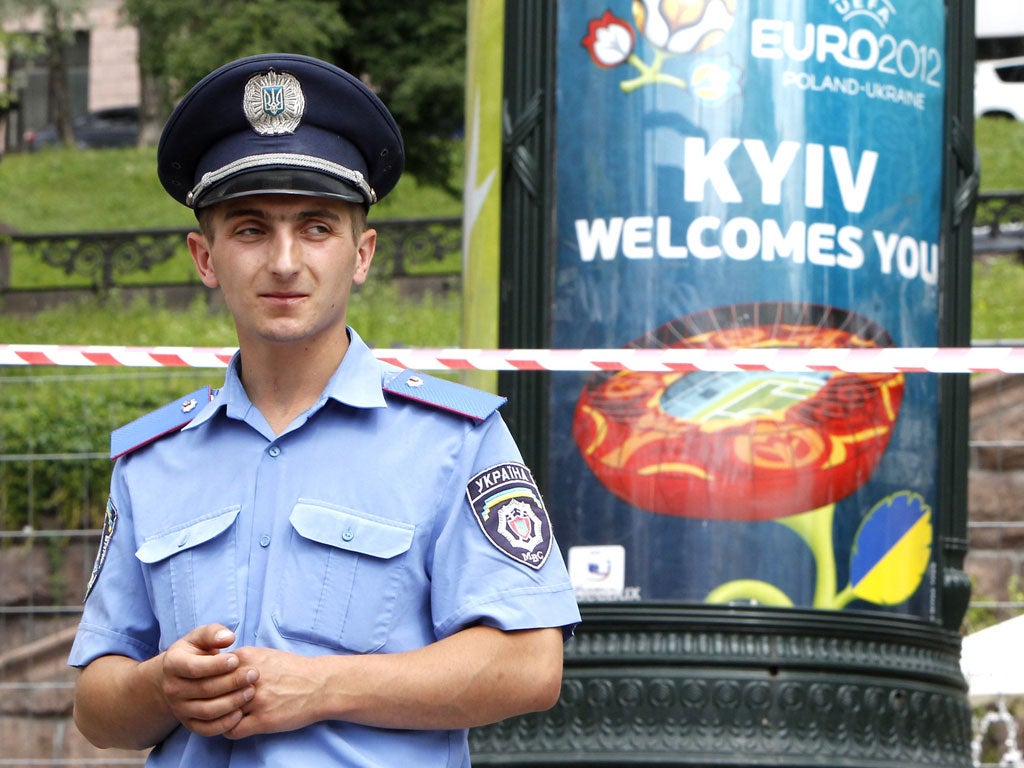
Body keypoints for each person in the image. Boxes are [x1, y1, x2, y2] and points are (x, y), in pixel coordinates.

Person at [68, 53, 581, 767]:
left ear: (361, 253)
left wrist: (322, 687)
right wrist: (160, 688)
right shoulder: (154, 461)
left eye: (316, 228)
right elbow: (97, 705)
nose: (284, 261)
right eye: (249, 229)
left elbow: (529, 668)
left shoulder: (454, 440)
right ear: (204, 256)